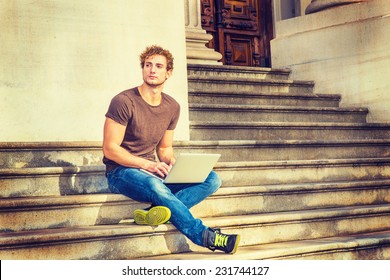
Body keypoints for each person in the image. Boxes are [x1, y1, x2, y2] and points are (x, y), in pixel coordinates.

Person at [102, 45, 240, 254]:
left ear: (168, 73)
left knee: (212, 179)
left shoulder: (172, 106)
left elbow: (165, 148)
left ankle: (154, 212)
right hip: (120, 172)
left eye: (158, 66)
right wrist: (146, 164)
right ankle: (206, 236)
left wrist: (172, 163)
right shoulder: (123, 101)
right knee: (155, 186)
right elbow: (110, 149)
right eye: (148, 65)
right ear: (143, 69)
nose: (152, 70)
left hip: (152, 170)